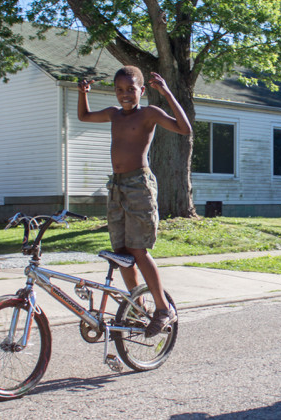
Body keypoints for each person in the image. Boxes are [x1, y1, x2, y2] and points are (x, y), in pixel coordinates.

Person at [78, 66, 192, 337]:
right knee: (122, 254)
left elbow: (184, 128)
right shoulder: (113, 114)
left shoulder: (149, 113)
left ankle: (163, 308)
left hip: (139, 185)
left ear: (141, 90)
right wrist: (83, 93)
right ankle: (138, 307)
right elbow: (83, 116)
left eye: (131, 89)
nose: (125, 95)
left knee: (138, 251)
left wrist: (165, 92)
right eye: (120, 90)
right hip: (116, 187)